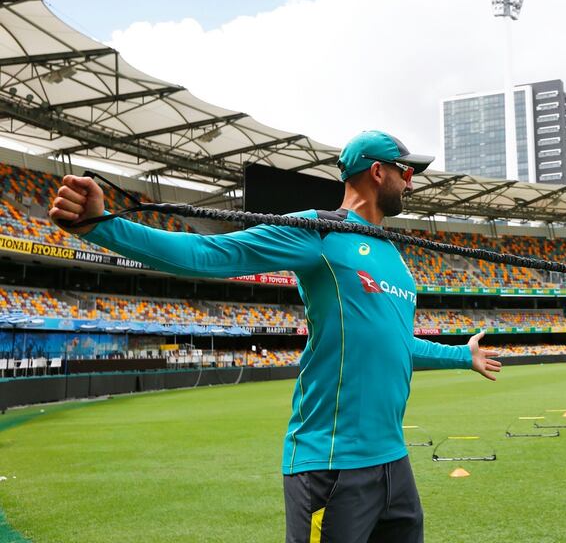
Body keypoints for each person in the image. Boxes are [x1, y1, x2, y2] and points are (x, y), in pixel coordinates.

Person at [49, 130, 503, 543]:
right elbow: (211, 253)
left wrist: (463, 356)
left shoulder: (397, 258)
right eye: (406, 172)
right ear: (377, 171)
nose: (411, 183)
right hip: (330, 463)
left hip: (394, 465)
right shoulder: (319, 230)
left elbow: (396, 346)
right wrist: (103, 225)